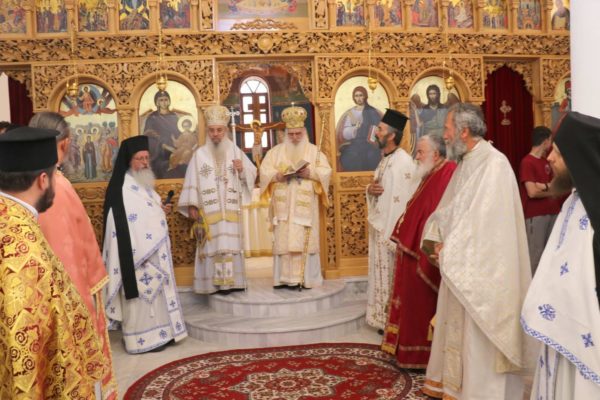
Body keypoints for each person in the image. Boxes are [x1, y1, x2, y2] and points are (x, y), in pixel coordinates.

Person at [420, 103, 533, 399]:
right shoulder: (466, 162)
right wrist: (436, 238)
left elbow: (487, 224)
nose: (444, 135)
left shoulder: (494, 164)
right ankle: (455, 388)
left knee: (478, 338)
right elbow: (451, 209)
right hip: (458, 263)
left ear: (464, 131)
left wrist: (450, 248)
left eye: (447, 129)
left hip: (484, 272)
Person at [0, 126, 108, 398]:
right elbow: (24, 345)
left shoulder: (10, 221)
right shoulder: (24, 252)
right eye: (55, 175)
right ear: (43, 180)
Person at [30, 112, 117, 399]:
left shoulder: (21, 181)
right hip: (64, 304)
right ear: (65, 144)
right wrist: (84, 312)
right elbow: (69, 256)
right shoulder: (56, 186)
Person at [521, 112, 600, 399]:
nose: (550, 158)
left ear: (577, 156)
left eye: (558, 152)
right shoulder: (574, 201)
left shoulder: (593, 211)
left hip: (585, 336)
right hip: (559, 332)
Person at [102, 135, 188, 353]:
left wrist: (161, 209)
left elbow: (149, 209)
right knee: (142, 300)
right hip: (136, 257)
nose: (144, 163)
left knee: (157, 297)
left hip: (153, 252)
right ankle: (141, 340)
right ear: (129, 161)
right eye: (139, 159)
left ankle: (164, 334)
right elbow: (118, 224)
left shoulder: (143, 183)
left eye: (146, 158)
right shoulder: (122, 188)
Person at [382, 134, 456, 368]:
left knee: (420, 306)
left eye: (421, 152)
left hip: (423, 254)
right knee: (411, 306)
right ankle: (406, 352)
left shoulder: (447, 173)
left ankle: (420, 356)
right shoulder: (432, 172)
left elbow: (436, 215)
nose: (417, 156)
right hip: (412, 249)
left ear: (436, 154)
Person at [178, 105, 256, 294]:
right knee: (212, 247)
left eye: (219, 130)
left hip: (230, 211)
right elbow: (192, 180)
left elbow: (252, 173)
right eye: (212, 130)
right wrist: (192, 205)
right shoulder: (199, 155)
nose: (215, 134)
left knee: (230, 246)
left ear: (226, 130)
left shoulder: (235, 152)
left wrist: (242, 170)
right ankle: (212, 284)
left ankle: (233, 283)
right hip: (208, 213)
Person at [259, 105, 332, 289]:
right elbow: (264, 171)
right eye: (291, 134)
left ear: (304, 133)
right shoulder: (275, 152)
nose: (294, 137)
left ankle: (306, 279)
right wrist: (277, 176)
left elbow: (326, 172)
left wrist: (311, 173)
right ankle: (283, 279)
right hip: (283, 209)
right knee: (283, 241)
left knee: (303, 239)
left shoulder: (314, 152)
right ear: (285, 134)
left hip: (304, 207)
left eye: (298, 134)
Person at [365, 109, 417, 331]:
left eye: (380, 129)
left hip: (391, 233)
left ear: (392, 135)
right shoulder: (386, 160)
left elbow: (405, 198)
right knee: (382, 275)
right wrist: (370, 190)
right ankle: (383, 319)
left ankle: (392, 321)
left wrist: (392, 233)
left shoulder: (403, 162)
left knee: (392, 276)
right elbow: (380, 191)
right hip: (381, 227)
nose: (376, 132)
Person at [519, 126, 562, 274]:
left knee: (553, 253)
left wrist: (543, 186)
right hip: (536, 215)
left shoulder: (546, 161)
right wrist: (549, 189)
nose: (551, 144)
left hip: (554, 212)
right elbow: (532, 192)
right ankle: (533, 287)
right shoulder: (527, 162)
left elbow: (557, 185)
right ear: (545, 141)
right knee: (536, 255)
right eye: (550, 140)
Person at [142, 90, 189, 179]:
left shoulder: (174, 116)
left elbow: (179, 133)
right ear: (157, 102)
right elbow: (148, 136)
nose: (164, 102)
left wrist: (177, 145)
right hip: (158, 151)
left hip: (175, 147)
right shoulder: (152, 118)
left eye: (166, 99)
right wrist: (163, 145)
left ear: (169, 101)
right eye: (161, 100)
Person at [336, 86, 383, 171]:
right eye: (356, 96)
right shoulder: (351, 113)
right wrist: (355, 129)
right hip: (356, 143)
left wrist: (373, 138)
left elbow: (378, 127)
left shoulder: (371, 111)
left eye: (361, 95)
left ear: (365, 96)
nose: (359, 98)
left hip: (369, 143)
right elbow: (345, 132)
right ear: (354, 98)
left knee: (372, 155)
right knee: (350, 155)